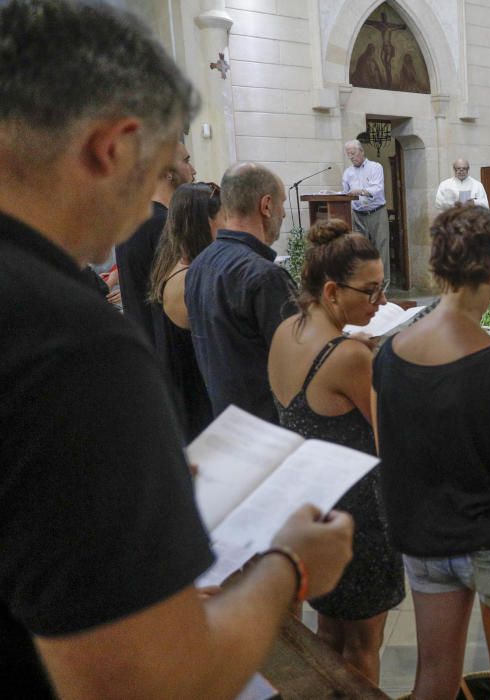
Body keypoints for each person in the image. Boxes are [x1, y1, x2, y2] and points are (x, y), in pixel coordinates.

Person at [0, 1, 353, 696]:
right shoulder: (68, 342)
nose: (146, 215)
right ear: (112, 147)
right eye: (160, 171)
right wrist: (290, 561)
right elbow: (160, 682)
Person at [372, 205, 490, 700]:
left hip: (427, 541)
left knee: (434, 681)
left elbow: (389, 453)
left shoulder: (387, 354)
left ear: (440, 268)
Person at [268, 219, 404, 684]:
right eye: (369, 291)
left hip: (311, 507)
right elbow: (393, 440)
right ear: (331, 292)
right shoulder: (348, 357)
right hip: (359, 519)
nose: (381, 301)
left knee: (326, 638)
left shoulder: (287, 330)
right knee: (364, 650)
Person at [186, 162, 297, 423]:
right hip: (267, 424)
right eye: (282, 204)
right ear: (266, 205)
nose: (284, 214)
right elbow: (297, 362)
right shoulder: (265, 276)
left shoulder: (199, 264)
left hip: (225, 419)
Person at [148, 183, 221, 441]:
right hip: (194, 400)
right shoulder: (190, 277)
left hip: (182, 391)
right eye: (221, 219)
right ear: (205, 223)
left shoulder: (172, 259)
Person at [116, 141, 195, 347]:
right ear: (167, 171)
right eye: (186, 161)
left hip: (144, 344)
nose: (193, 170)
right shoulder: (164, 224)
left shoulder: (131, 221)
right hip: (169, 350)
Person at [342, 139, 390, 281]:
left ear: (361, 152)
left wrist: (361, 191)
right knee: (359, 250)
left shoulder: (375, 167)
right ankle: (364, 283)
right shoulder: (348, 173)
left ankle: (383, 285)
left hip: (377, 212)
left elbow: (377, 188)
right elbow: (346, 194)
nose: (351, 157)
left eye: (353, 153)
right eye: (348, 154)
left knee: (381, 249)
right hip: (357, 214)